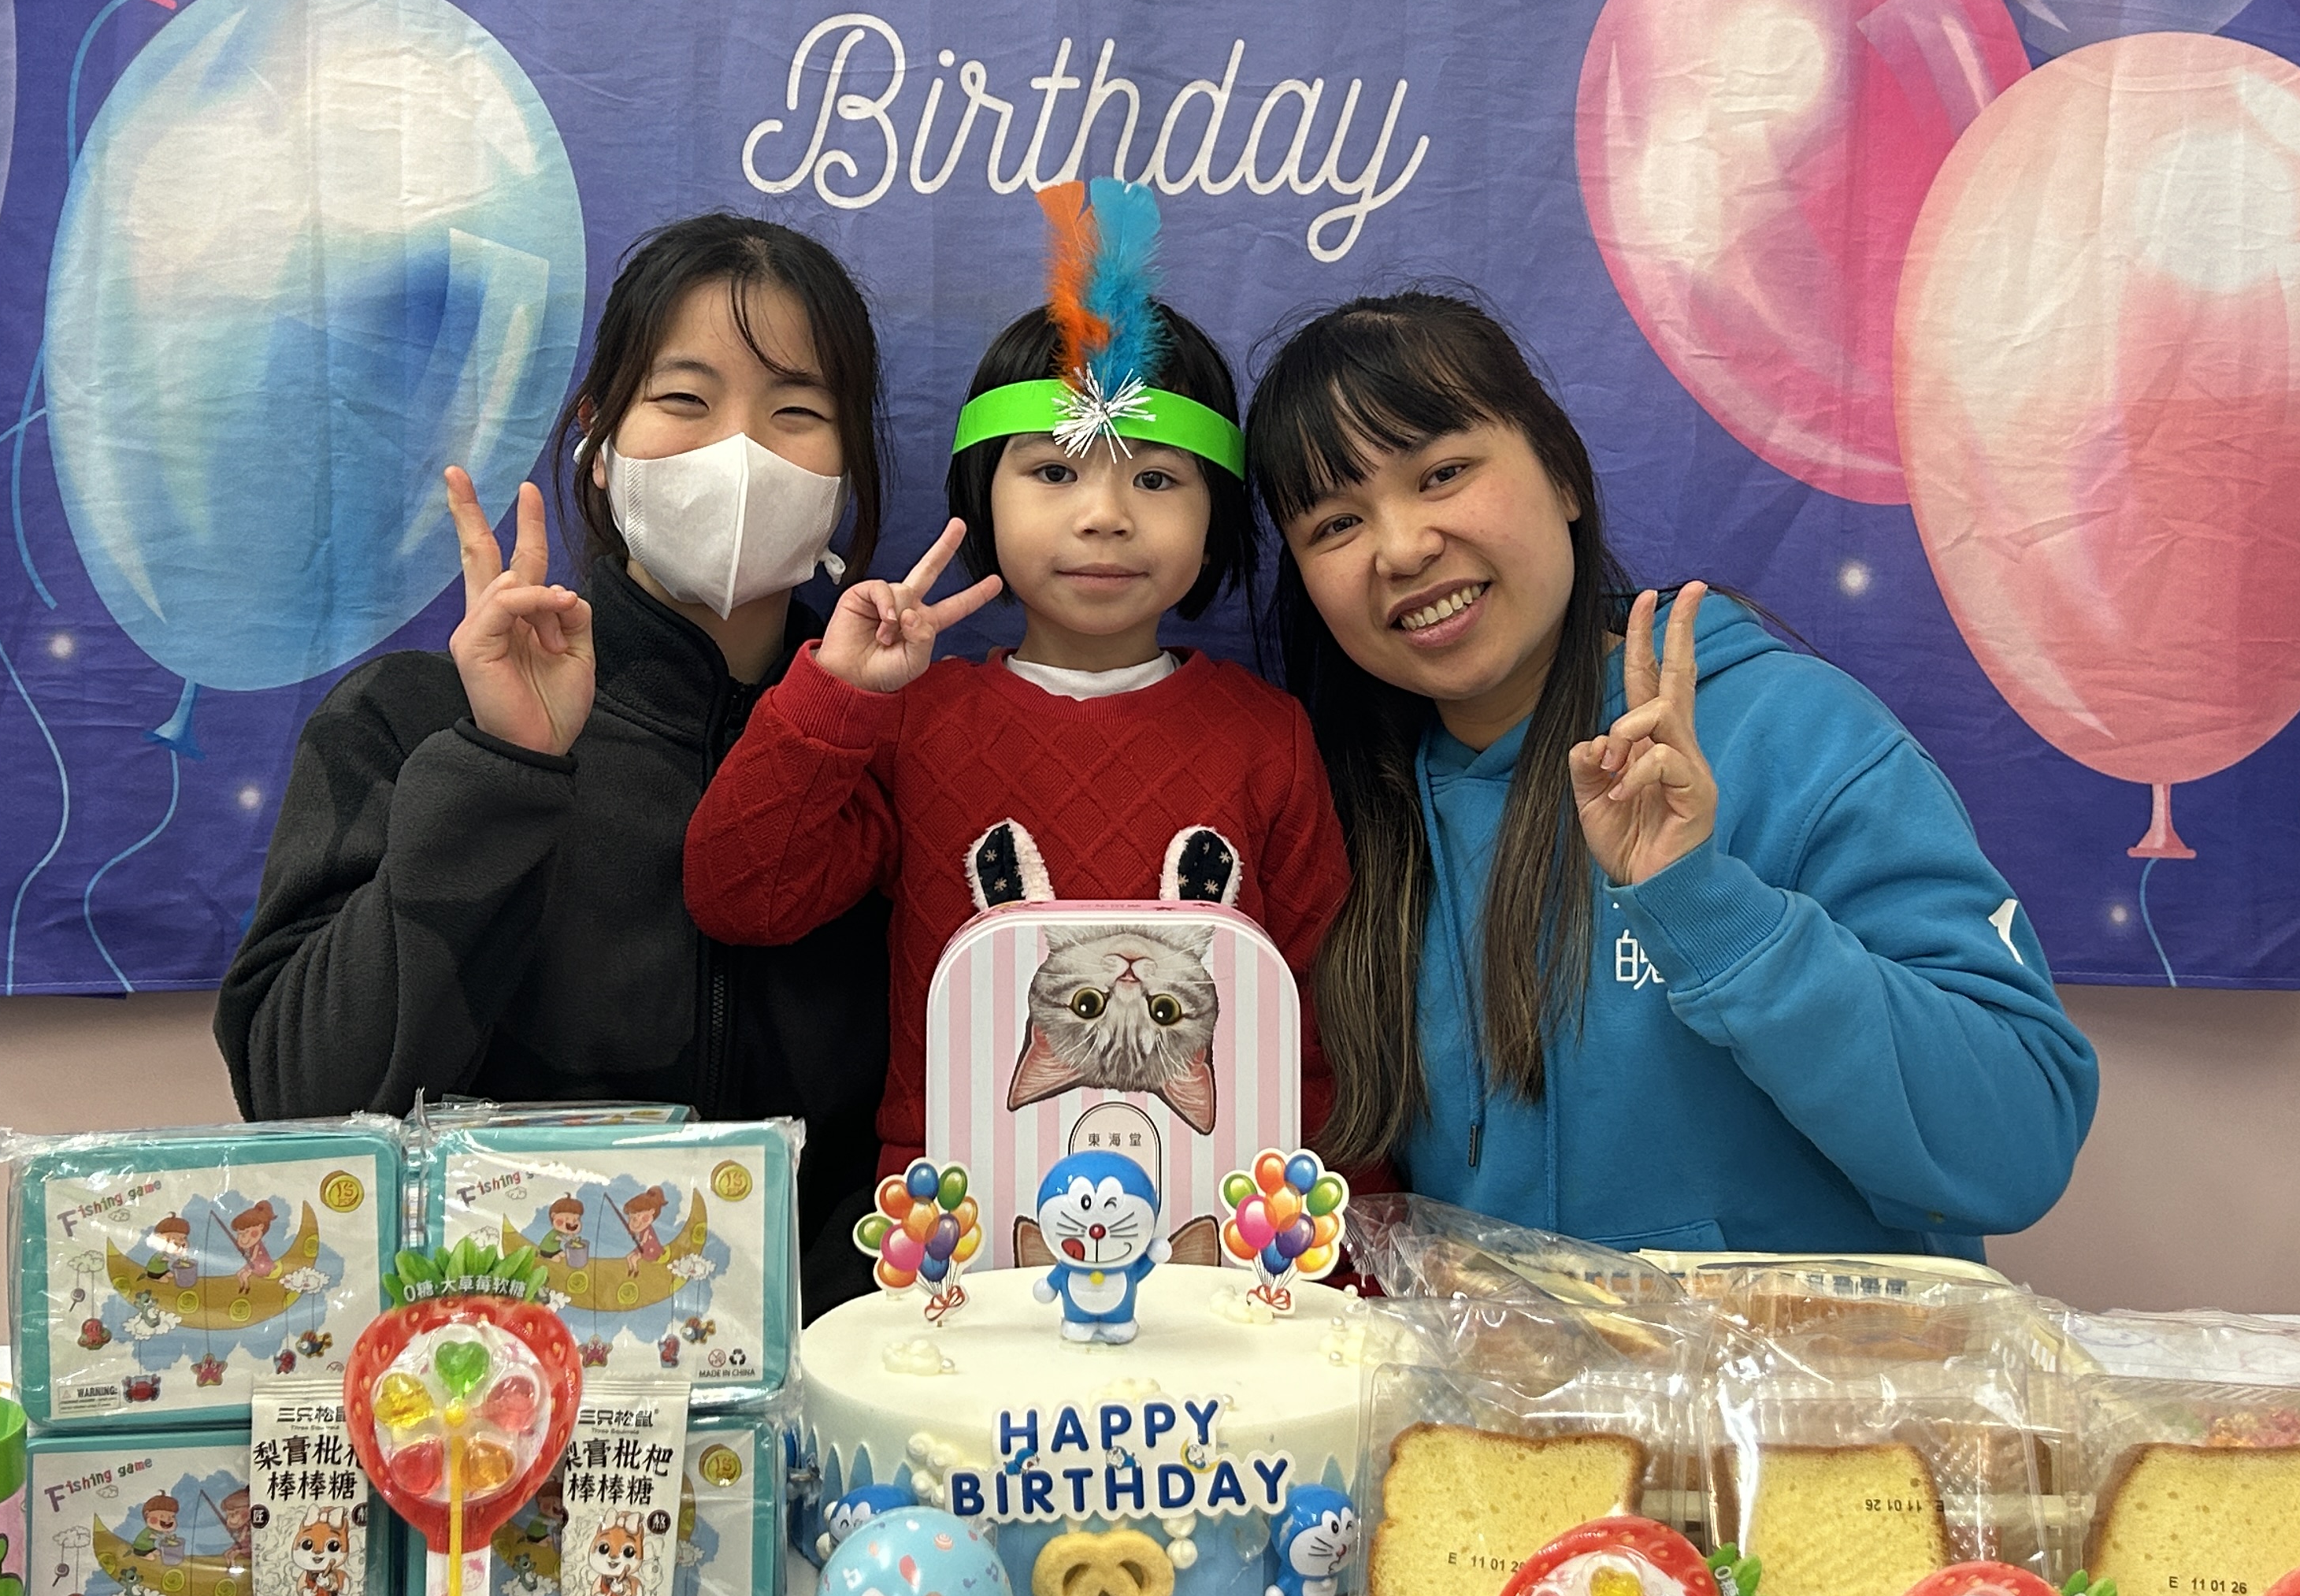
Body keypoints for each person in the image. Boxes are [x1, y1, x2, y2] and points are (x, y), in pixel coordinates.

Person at [1246, 289, 2094, 1256]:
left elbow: (2017, 1145)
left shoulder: (1794, 735)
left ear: (1562, 473)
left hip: (1814, 1361)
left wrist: (1710, 908)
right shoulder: (1341, 818)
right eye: (1336, 525)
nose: (1402, 548)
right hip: (1482, 1364)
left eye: (1442, 473)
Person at [213, 213, 896, 1312]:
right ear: (598, 435)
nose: (741, 452)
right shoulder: (408, 718)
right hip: (494, 1378)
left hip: (840, 1365)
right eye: (685, 400)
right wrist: (498, 767)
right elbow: (302, 1107)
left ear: (848, 465)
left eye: (798, 412)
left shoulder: (896, 747)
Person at [684, 180, 1349, 1180]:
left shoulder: (1270, 736)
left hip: (1215, 1224)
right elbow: (743, 896)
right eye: (1054, 472)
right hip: (950, 1218)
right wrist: (838, 697)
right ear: (980, 497)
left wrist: (1328, 1228)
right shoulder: (915, 723)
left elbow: (1313, 1024)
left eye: (1156, 478)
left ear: (1217, 515)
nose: (1105, 515)